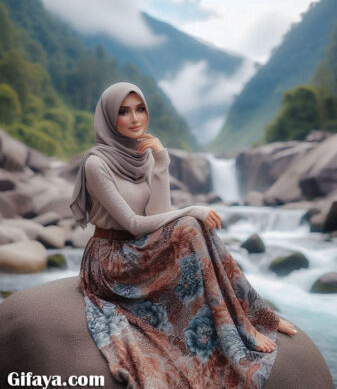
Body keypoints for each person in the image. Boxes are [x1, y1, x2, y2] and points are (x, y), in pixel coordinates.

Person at [69, 82, 297, 388]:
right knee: (191, 223)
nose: (135, 118)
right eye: (124, 112)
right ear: (109, 118)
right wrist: (192, 209)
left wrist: (161, 165)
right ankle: (243, 323)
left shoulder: (145, 156)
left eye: (140, 109)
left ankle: (256, 316)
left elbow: (158, 215)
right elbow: (135, 224)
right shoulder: (96, 164)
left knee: (194, 226)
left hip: (137, 249)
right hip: (111, 261)